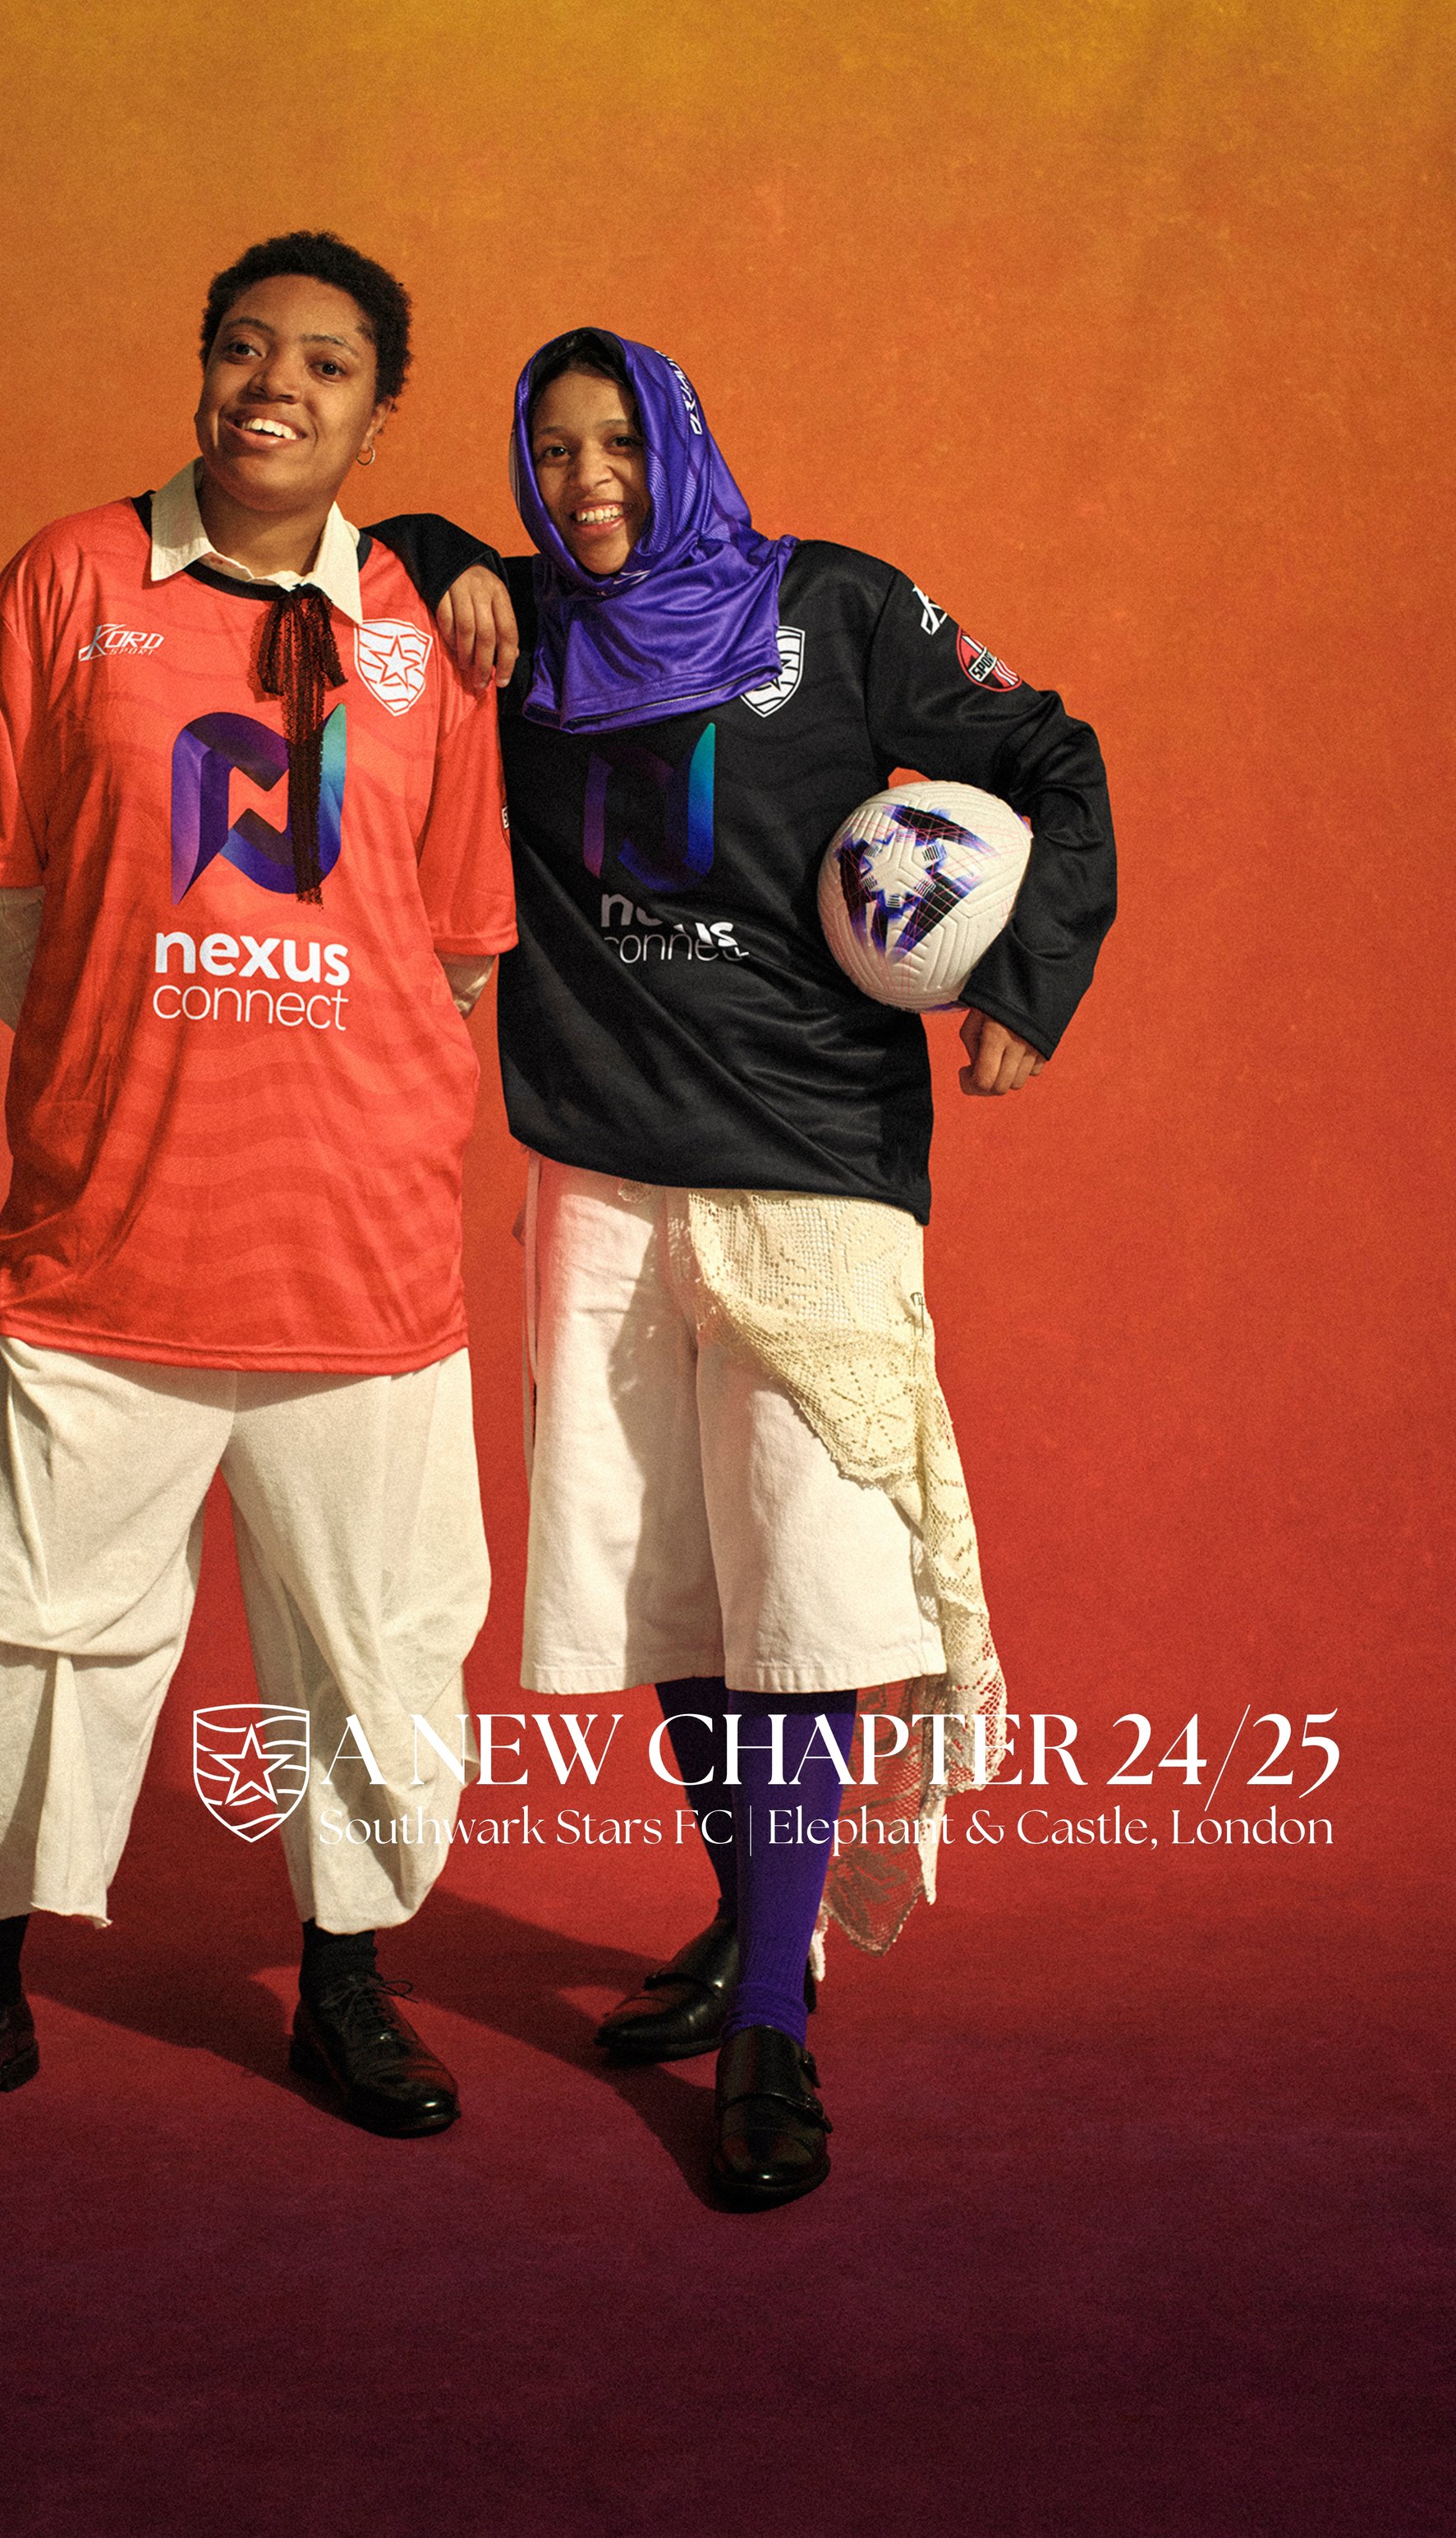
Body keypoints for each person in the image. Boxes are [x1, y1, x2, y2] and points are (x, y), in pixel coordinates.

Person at [388, 327, 1114, 2207]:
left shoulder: (836, 609)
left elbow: (1049, 752)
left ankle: (774, 2023)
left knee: (800, 1589)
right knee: (677, 1588)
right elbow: (361, 559)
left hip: (810, 1169)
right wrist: (433, 544)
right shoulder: (519, 635)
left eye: (618, 443)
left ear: (682, 441)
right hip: (597, 1168)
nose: (586, 484)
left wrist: (1024, 976)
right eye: (551, 452)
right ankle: (743, 1922)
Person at [0, 233, 517, 2155]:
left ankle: (346, 1985)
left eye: (324, 362)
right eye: (243, 346)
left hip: (359, 1253)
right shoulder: (68, 579)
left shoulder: (427, 630)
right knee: (26, 1629)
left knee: (374, 1639)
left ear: (378, 413)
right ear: (201, 367)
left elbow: (455, 944)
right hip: (114, 1235)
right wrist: (133, 1053)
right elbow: (3, 901)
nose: (273, 384)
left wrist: (330, 1076)